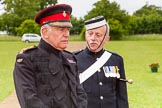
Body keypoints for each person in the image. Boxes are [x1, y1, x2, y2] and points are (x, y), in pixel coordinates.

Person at [13, 4, 87, 108]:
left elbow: (80, 93)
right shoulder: (27, 59)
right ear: (45, 32)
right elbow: (29, 100)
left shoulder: (70, 58)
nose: (67, 34)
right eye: (61, 30)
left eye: (68, 29)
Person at [74, 16, 129, 108]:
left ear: (107, 39)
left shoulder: (116, 60)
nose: (93, 38)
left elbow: (122, 95)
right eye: (90, 34)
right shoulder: (73, 59)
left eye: (98, 35)